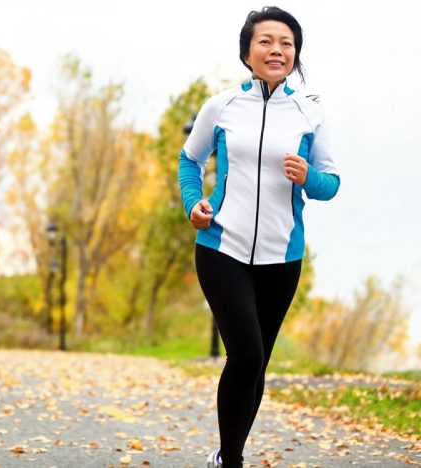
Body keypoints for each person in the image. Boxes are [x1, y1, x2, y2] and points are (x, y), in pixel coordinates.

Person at [178, 6, 340, 468]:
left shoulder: (310, 114)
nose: (277, 50)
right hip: (221, 246)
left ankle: (229, 454)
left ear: (295, 54)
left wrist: (308, 177)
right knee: (245, 353)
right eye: (266, 41)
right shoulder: (223, 105)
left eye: (286, 43)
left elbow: (331, 183)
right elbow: (190, 161)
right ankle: (230, 461)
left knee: (258, 362)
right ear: (248, 51)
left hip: (281, 256)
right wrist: (194, 204)